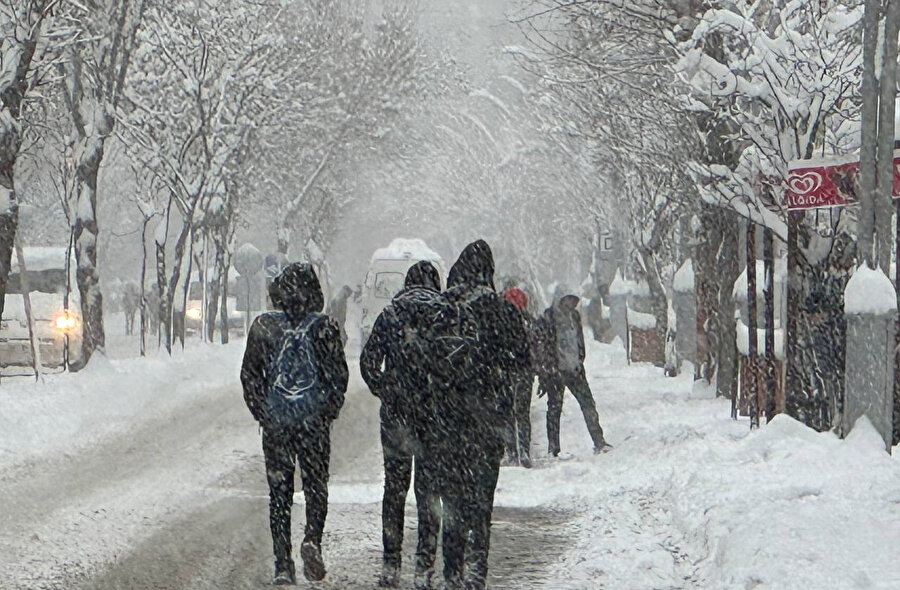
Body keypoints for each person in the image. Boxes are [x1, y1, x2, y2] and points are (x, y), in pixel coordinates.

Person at [240, 263, 348, 585]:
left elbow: (249, 376)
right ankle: (312, 538)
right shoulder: (324, 326)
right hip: (312, 426)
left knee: (279, 495)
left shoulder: (264, 327)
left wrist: (265, 413)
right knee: (316, 488)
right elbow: (339, 377)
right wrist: (326, 413)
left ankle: (282, 564)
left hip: (277, 426)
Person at [430, 240, 528, 590]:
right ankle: (476, 569)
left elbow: (422, 363)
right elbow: (522, 362)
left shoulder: (441, 311)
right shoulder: (501, 310)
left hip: (448, 423)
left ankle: (452, 569)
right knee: (481, 499)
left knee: (452, 500)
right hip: (487, 422)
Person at [360, 261, 444, 589]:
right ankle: (424, 566)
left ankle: (390, 564)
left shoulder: (391, 314)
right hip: (433, 416)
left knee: (394, 490)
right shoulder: (444, 315)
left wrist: (385, 388)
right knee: (429, 492)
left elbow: (368, 360)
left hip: (397, 415)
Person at [539, 294, 610, 457]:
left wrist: (580, 358)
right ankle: (553, 448)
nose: (571, 304)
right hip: (557, 370)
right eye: (569, 299)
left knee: (587, 403)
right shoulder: (549, 317)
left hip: (575, 369)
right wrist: (549, 366)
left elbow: (579, 339)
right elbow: (544, 343)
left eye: (574, 301)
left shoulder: (574, 316)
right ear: (561, 299)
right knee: (554, 409)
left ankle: (598, 440)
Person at [501, 285, 535, 468]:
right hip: (523, 370)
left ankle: (514, 451)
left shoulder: (501, 322)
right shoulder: (528, 321)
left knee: (509, 412)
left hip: (509, 371)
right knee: (521, 413)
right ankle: (522, 450)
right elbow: (535, 346)